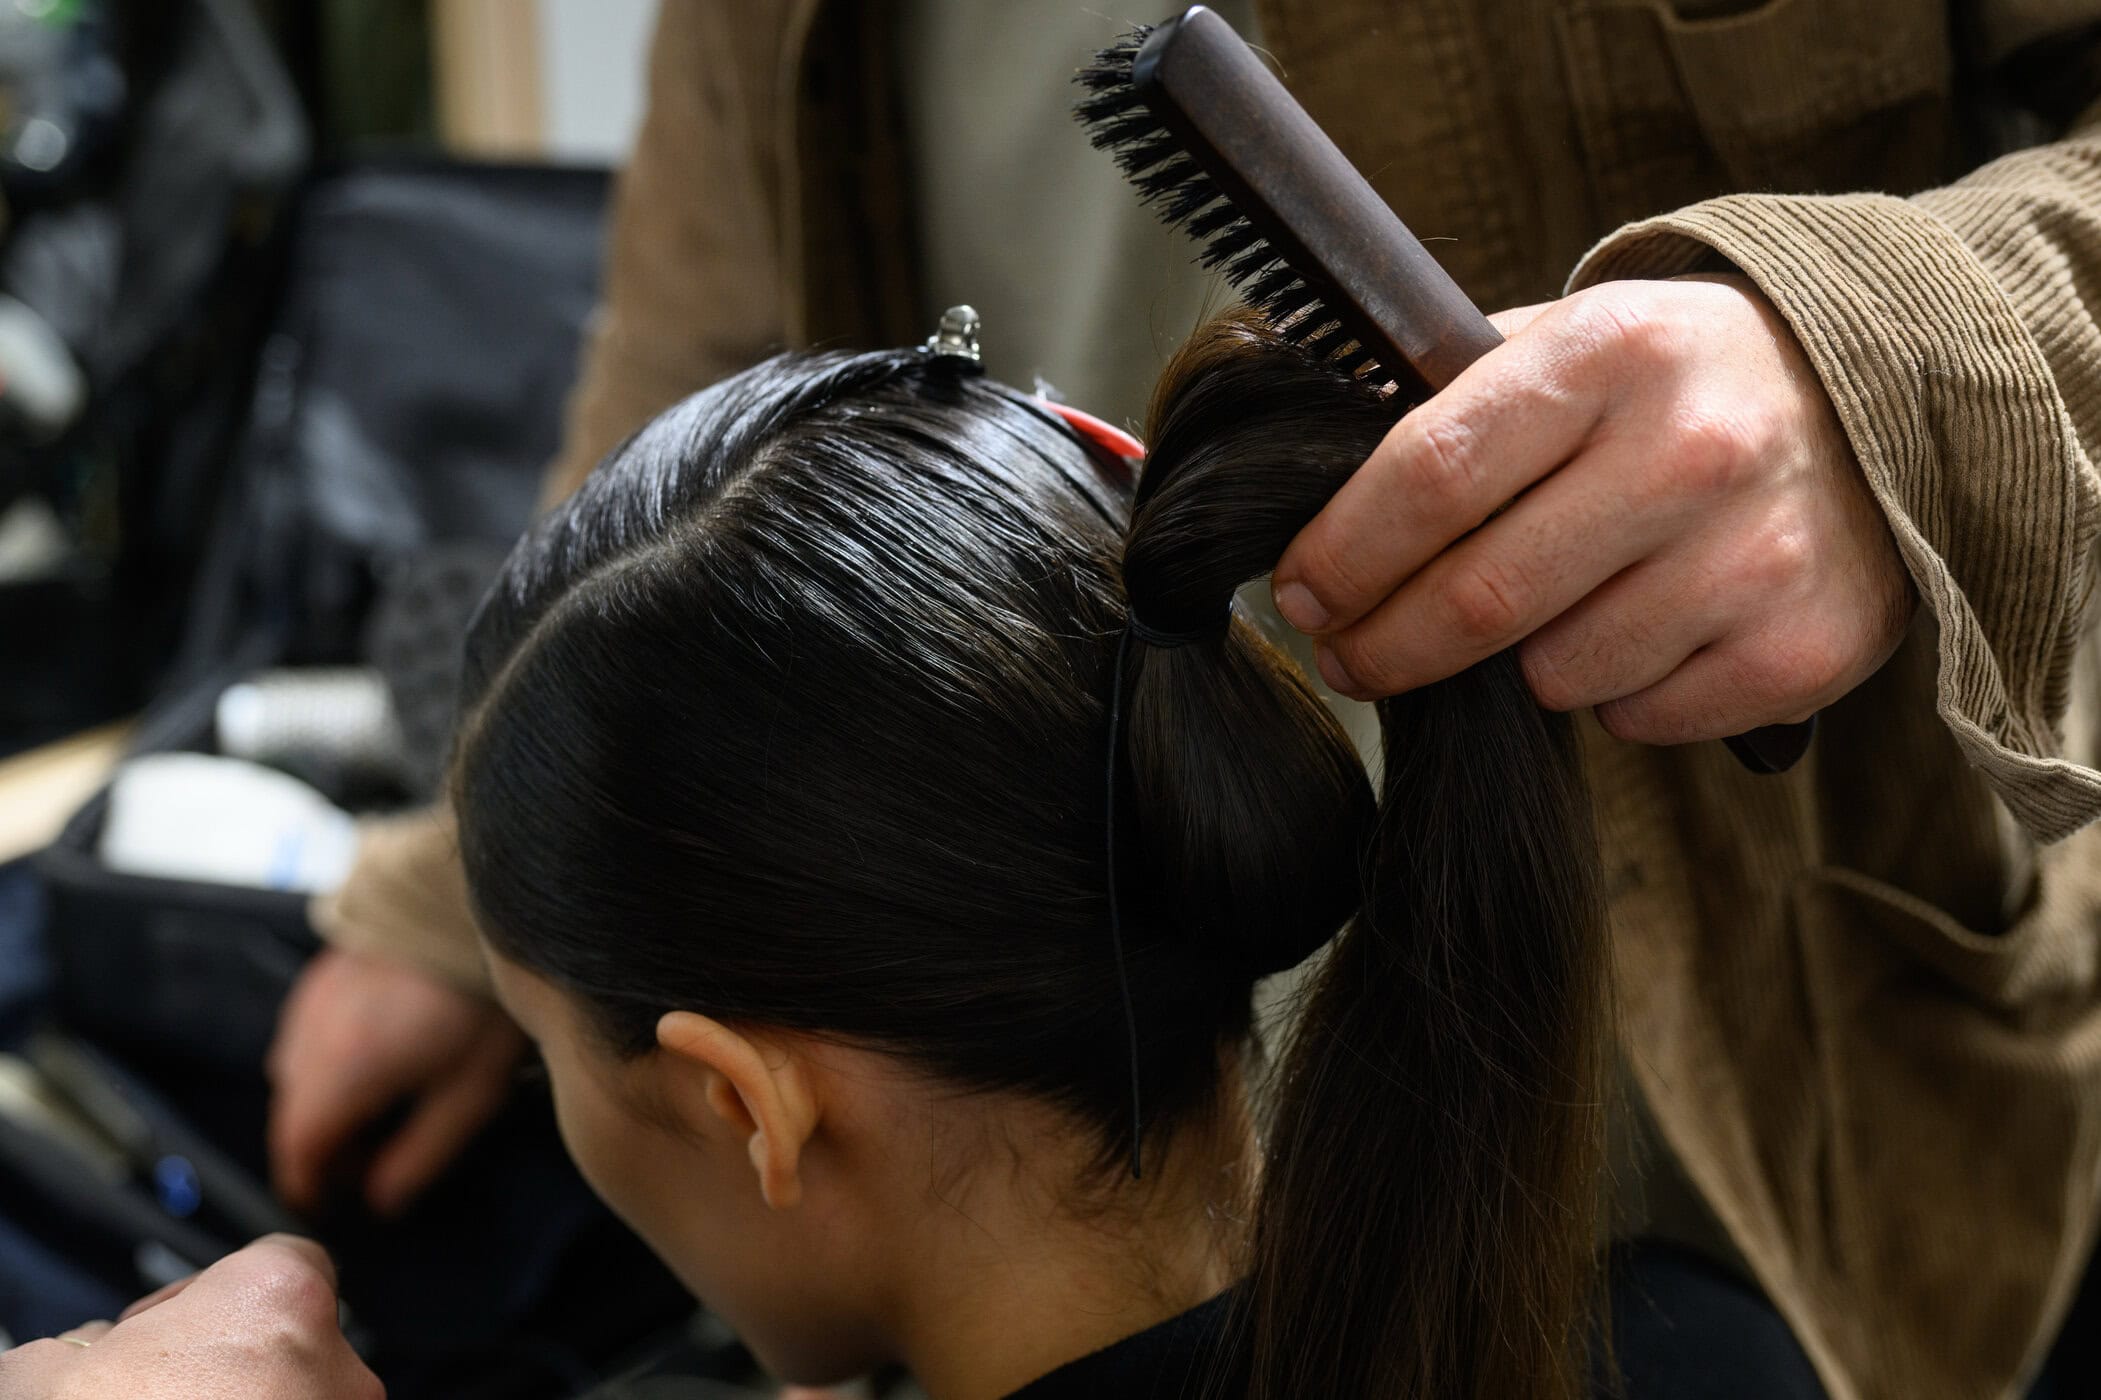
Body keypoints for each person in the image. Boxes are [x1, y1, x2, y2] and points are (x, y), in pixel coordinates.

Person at [253, 1, 2101, 1397]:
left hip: (1797, 1087)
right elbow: (701, 335)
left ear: (746, 1113)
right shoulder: (1703, 1357)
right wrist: (496, 855)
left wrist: (1884, 367)